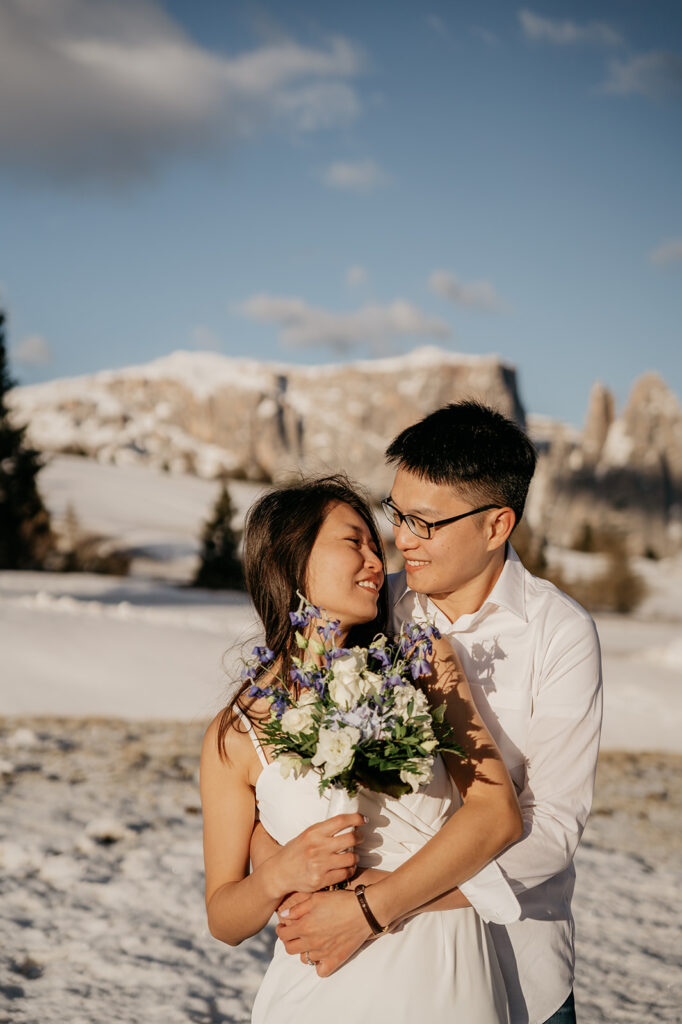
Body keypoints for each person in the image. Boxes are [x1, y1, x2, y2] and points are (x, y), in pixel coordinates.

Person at [274, 404, 602, 1024]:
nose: (401, 539)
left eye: (424, 522)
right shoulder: (374, 604)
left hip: (518, 971)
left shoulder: (560, 632)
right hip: (376, 973)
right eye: (397, 514)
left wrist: (383, 906)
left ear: (496, 524)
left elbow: (552, 830)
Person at [200, 474, 523, 1024]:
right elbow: (224, 918)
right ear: (291, 557)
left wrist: (376, 902)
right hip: (318, 993)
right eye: (355, 542)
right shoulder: (235, 734)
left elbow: (498, 815)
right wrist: (279, 875)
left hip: (444, 980)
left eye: (376, 545)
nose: (378, 560)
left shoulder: (424, 667)